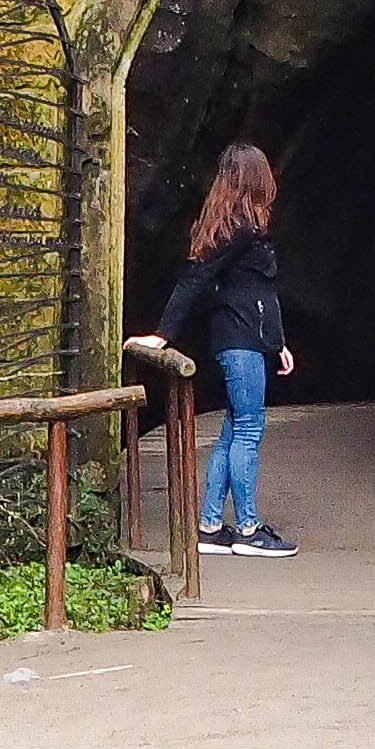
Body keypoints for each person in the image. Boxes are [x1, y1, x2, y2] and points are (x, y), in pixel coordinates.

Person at [138, 142, 296, 556]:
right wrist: (162, 334)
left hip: (245, 340)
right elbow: (195, 279)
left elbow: (258, 291)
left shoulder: (236, 228)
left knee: (233, 428)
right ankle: (247, 529)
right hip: (240, 344)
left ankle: (209, 525)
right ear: (254, 180)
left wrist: (276, 344)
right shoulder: (239, 231)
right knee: (248, 429)